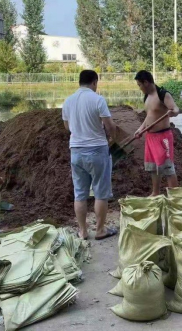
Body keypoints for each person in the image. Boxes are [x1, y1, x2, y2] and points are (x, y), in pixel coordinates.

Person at [62, 70, 117, 241]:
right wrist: (113, 138)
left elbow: (66, 127)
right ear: (94, 82)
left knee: (80, 193)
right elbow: (109, 125)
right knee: (100, 192)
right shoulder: (98, 99)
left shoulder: (68, 101)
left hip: (76, 151)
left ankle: (83, 231)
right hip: (97, 150)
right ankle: (100, 230)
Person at [134, 70, 180, 196]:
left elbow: (176, 109)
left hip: (163, 137)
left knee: (168, 168)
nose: (140, 88)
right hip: (150, 137)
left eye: (140, 85)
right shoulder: (146, 97)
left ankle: (175, 197)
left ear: (146, 82)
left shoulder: (163, 94)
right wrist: (140, 129)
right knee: (153, 167)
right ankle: (155, 192)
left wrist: (173, 112)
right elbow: (149, 116)